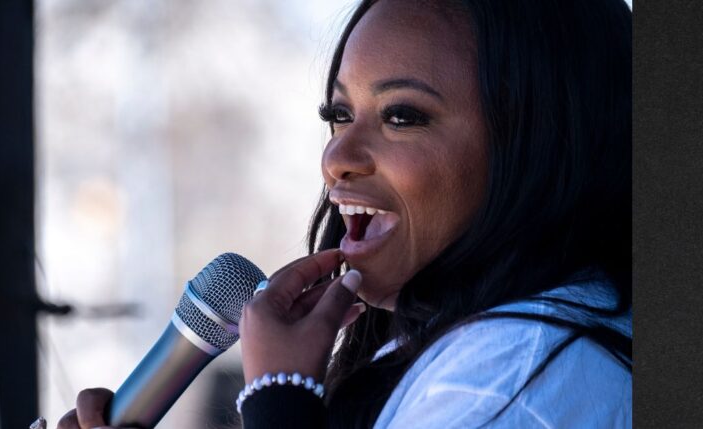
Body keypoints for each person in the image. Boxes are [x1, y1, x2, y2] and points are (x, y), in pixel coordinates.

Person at [56, 0, 632, 427]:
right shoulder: (461, 348)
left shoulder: (509, 379)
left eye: (402, 116)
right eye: (338, 113)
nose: (337, 157)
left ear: (539, 146)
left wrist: (280, 397)